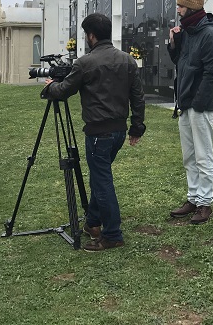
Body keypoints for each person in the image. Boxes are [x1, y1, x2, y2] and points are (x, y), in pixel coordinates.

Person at [41, 13, 145, 252]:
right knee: (101, 177)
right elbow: (137, 97)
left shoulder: (85, 63)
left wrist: (50, 87)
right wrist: (137, 126)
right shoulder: (128, 60)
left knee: (102, 181)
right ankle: (92, 223)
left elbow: (65, 90)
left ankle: (113, 234)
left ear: (91, 35)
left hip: (98, 133)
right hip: (118, 131)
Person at [167, 0, 213, 225]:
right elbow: (180, 63)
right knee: (189, 156)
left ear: (191, 7)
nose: (178, 10)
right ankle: (193, 197)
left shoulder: (209, 35)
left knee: (203, 155)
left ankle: (204, 203)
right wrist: (174, 42)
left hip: (199, 105)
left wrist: (199, 104)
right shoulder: (188, 31)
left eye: (180, 6)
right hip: (186, 102)